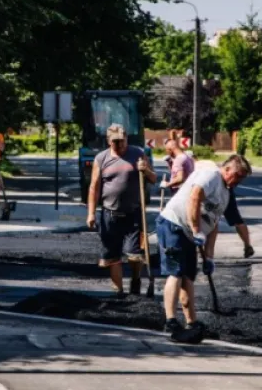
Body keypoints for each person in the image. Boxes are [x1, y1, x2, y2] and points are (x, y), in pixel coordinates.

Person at [156, 155, 251, 338]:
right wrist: (196, 229)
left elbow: (214, 224)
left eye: (242, 178)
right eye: (238, 176)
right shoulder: (211, 175)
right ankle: (171, 322)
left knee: (189, 276)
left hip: (190, 233)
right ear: (228, 169)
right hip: (174, 224)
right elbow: (194, 196)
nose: (238, 181)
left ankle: (191, 322)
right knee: (176, 271)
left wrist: (209, 256)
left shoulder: (226, 193)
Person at [86, 124, 157, 296]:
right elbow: (94, 187)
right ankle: (118, 290)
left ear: (127, 139)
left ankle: (135, 278)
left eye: (122, 140)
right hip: (109, 213)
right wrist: (91, 213)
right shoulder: (101, 159)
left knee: (135, 255)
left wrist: (145, 169)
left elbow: (153, 179)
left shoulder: (138, 154)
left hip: (133, 213)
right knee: (113, 256)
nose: (120, 144)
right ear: (109, 141)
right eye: (116, 141)